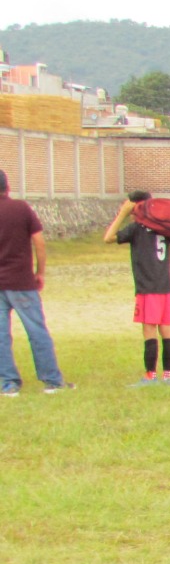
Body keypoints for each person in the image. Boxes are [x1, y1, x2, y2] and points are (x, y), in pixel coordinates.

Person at [0, 168, 71, 397]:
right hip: (21, 281)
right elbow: (39, 242)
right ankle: (52, 380)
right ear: (7, 187)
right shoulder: (21, 208)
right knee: (36, 330)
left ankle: (9, 383)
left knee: (1, 335)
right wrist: (40, 272)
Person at [105, 190, 170, 386]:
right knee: (166, 329)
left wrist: (122, 214)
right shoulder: (161, 227)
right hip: (164, 284)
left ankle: (150, 375)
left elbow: (108, 237)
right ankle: (168, 375)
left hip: (147, 285)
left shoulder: (138, 228)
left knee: (149, 329)